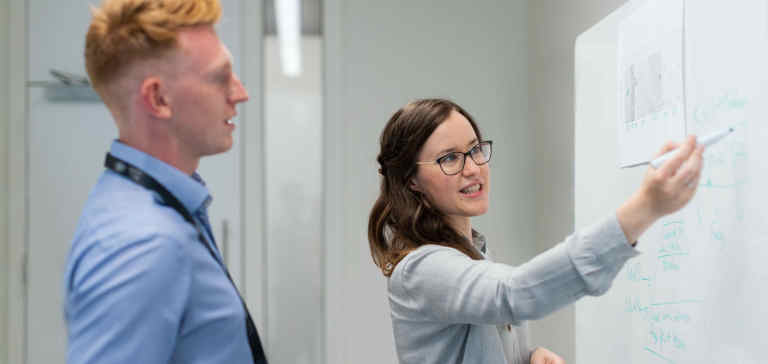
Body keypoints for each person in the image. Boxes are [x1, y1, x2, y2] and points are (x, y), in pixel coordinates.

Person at [368, 98, 703, 364]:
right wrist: (644, 209)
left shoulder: (474, 252)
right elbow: (512, 295)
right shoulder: (420, 270)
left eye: (474, 150)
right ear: (412, 180)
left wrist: (525, 358)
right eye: (450, 158)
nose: (472, 168)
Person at [63, 0, 266, 363]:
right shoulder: (142, 244)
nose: (240, 93)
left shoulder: (153, 207)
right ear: (158, 98)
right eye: (221, 77)